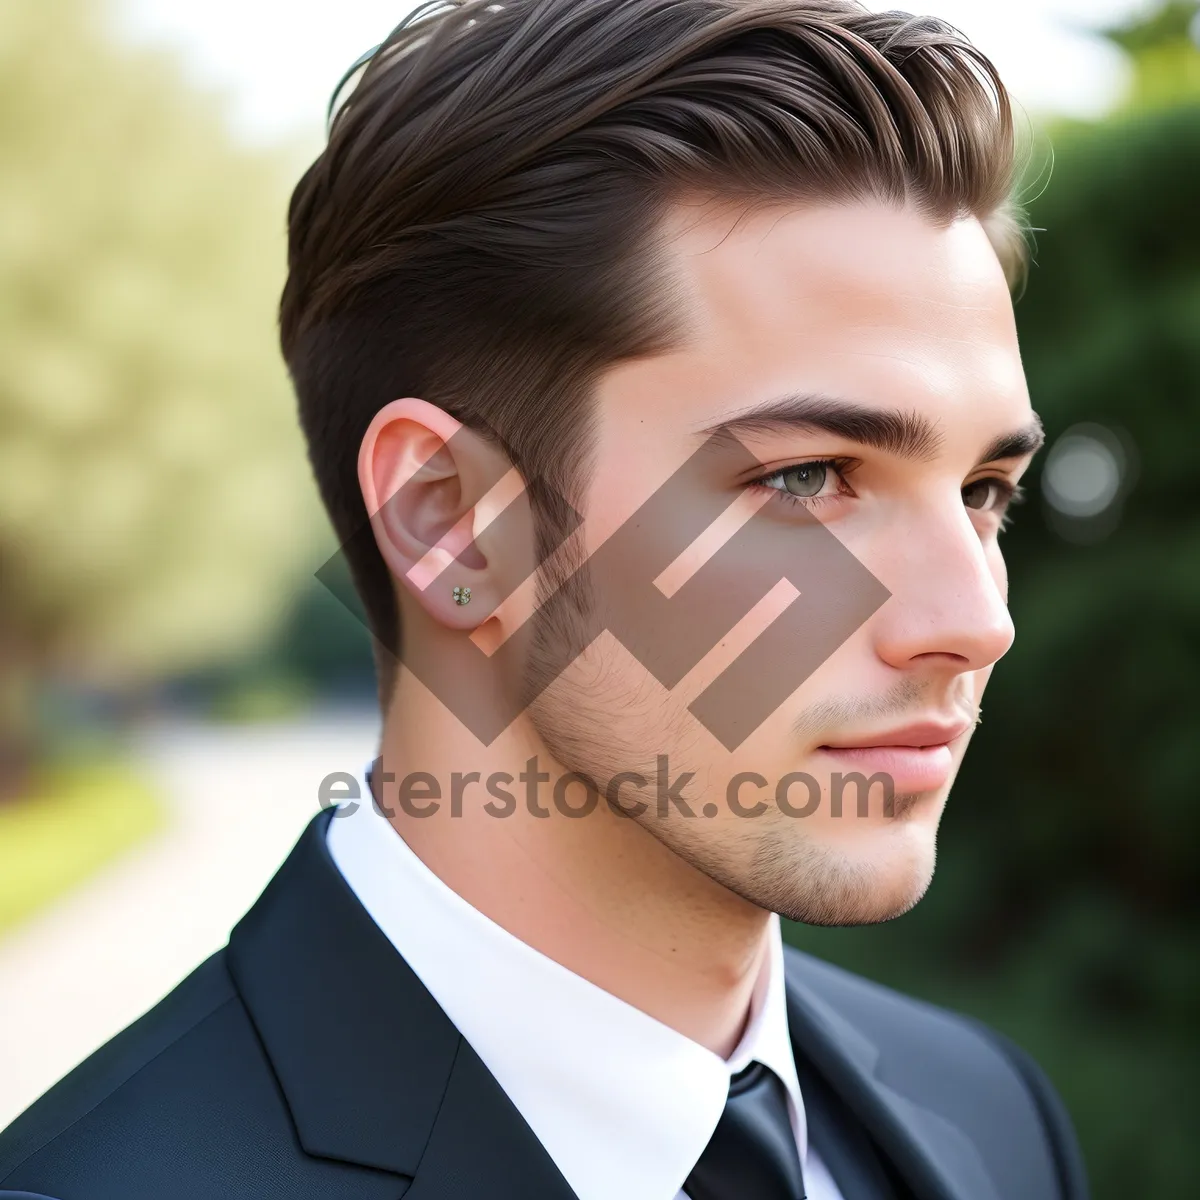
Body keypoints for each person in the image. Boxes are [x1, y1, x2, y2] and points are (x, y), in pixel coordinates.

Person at [0, 1, 1090, 1197]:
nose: (977, 620)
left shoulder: (992, 1117)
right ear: (448, 520)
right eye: (805, 479)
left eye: (987, 488)